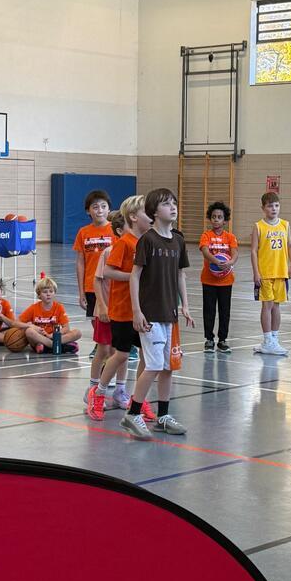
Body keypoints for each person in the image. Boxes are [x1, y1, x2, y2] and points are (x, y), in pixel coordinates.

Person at [124, 188, 194, 439]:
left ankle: (163, 416)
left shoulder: (178, 240)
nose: (172, 207)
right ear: (154, 211)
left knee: (167, 367)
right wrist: (136, 311)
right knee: (153, 365)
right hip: (150, 315)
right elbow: (134, 276)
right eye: (166, 204)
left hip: (170, 313)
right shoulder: (148, 240)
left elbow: (180, 275)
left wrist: (185, 305)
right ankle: (132, 414)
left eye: (174, 203)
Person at [86, 195, 152, 422]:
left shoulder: (148, 242)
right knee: (121, 354)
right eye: (147, 212)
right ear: (133, 217)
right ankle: (98, 393)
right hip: (123, 310)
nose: (152, 216)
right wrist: (134, 276)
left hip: (144, 309)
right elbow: (108, 272)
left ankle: (139, 400)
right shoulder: (124, 243)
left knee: (146, 356)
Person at [87, 210, 130, 409]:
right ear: (120, 231)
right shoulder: (108, 252)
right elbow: (97, 281)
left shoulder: (135, 251)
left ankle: (120, 390)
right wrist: (103, 306)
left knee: (122, 351)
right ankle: (92, 389)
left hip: (124, 311)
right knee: (103, 349)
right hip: (105, 310)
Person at [251, 191, 291, 356]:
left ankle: (273, 339)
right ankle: (267, 340)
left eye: (276, 205)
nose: (274, 209)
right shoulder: (259, 226)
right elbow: (254, 251)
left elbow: (290, 245)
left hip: (281, 272)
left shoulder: (285, 225)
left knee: (276, 306)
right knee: (267, 305)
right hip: (265, 273)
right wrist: (256, 272)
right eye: (270, 206)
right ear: (263, 208)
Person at [73, 190, 115, 359]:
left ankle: (121, 345)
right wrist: (81, 291)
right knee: (94, 318)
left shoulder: (115, 230)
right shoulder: (83, 232)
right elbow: (80, 262)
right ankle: (101, 344)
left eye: (103, 206)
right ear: (88, 211)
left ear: (109, 209)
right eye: (95, 207)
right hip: (91, 284)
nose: (100, 210)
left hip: (111, 285)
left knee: (114, 318)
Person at [199, 201, 238, 354]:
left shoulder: (230, 237)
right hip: (208, 280)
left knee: (224, 311)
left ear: (225, 220)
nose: (216, 219)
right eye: (214, 217)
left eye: (219, 217)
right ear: (210, 218)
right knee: (209, 310)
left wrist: (230, 263)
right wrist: (216, 261)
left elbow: (235, 253)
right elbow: (205, 251)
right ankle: (209, 339)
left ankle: (222, 340)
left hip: (226, 281)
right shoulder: (206, 235)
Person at [17, 277, 82, 354]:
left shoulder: (59, 307)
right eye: (45, 292)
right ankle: (58, 346)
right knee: (29, 331)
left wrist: (53, 335)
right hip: (39, 338)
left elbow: (66, 328)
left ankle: (48, 347)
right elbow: (17, 322)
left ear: (54, 293)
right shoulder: (33, 308)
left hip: (54, 337)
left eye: (51, 291)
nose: (48, 294)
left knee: (78, 332)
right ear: (39, 295)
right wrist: (31, 326)